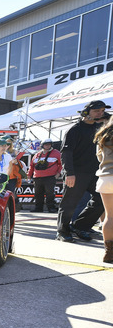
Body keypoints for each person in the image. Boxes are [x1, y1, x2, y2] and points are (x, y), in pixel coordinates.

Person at [56, 100, 109, 242]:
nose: (100, 113)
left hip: (95, 173)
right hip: (76, 173)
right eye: (97, 111)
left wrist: (105, 117)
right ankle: (62, 231)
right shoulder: (75, 129)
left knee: (102, 199)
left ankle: (80, 226)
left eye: (102, 111)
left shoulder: (100, 127)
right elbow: (66, 152)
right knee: (69, 203)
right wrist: (69, 173)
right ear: (86, 112)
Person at [94, 116, 113, 263]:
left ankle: (109, 252)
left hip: (105, 177)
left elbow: (99, 158)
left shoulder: (103, 136)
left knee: (109, 216)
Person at [27, 139, 62, 212]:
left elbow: (61, 164)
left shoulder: (56, 153)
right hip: (37, 177)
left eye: (49, 144)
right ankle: (38, 208)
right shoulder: (37, 154)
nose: (47, 146)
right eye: (46, 144)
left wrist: (58, 174)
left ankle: (51, 207)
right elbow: (32, 166)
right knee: (38, 194)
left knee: (50, 193)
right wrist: (29, 175)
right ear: (42, 145)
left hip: (50, 177)